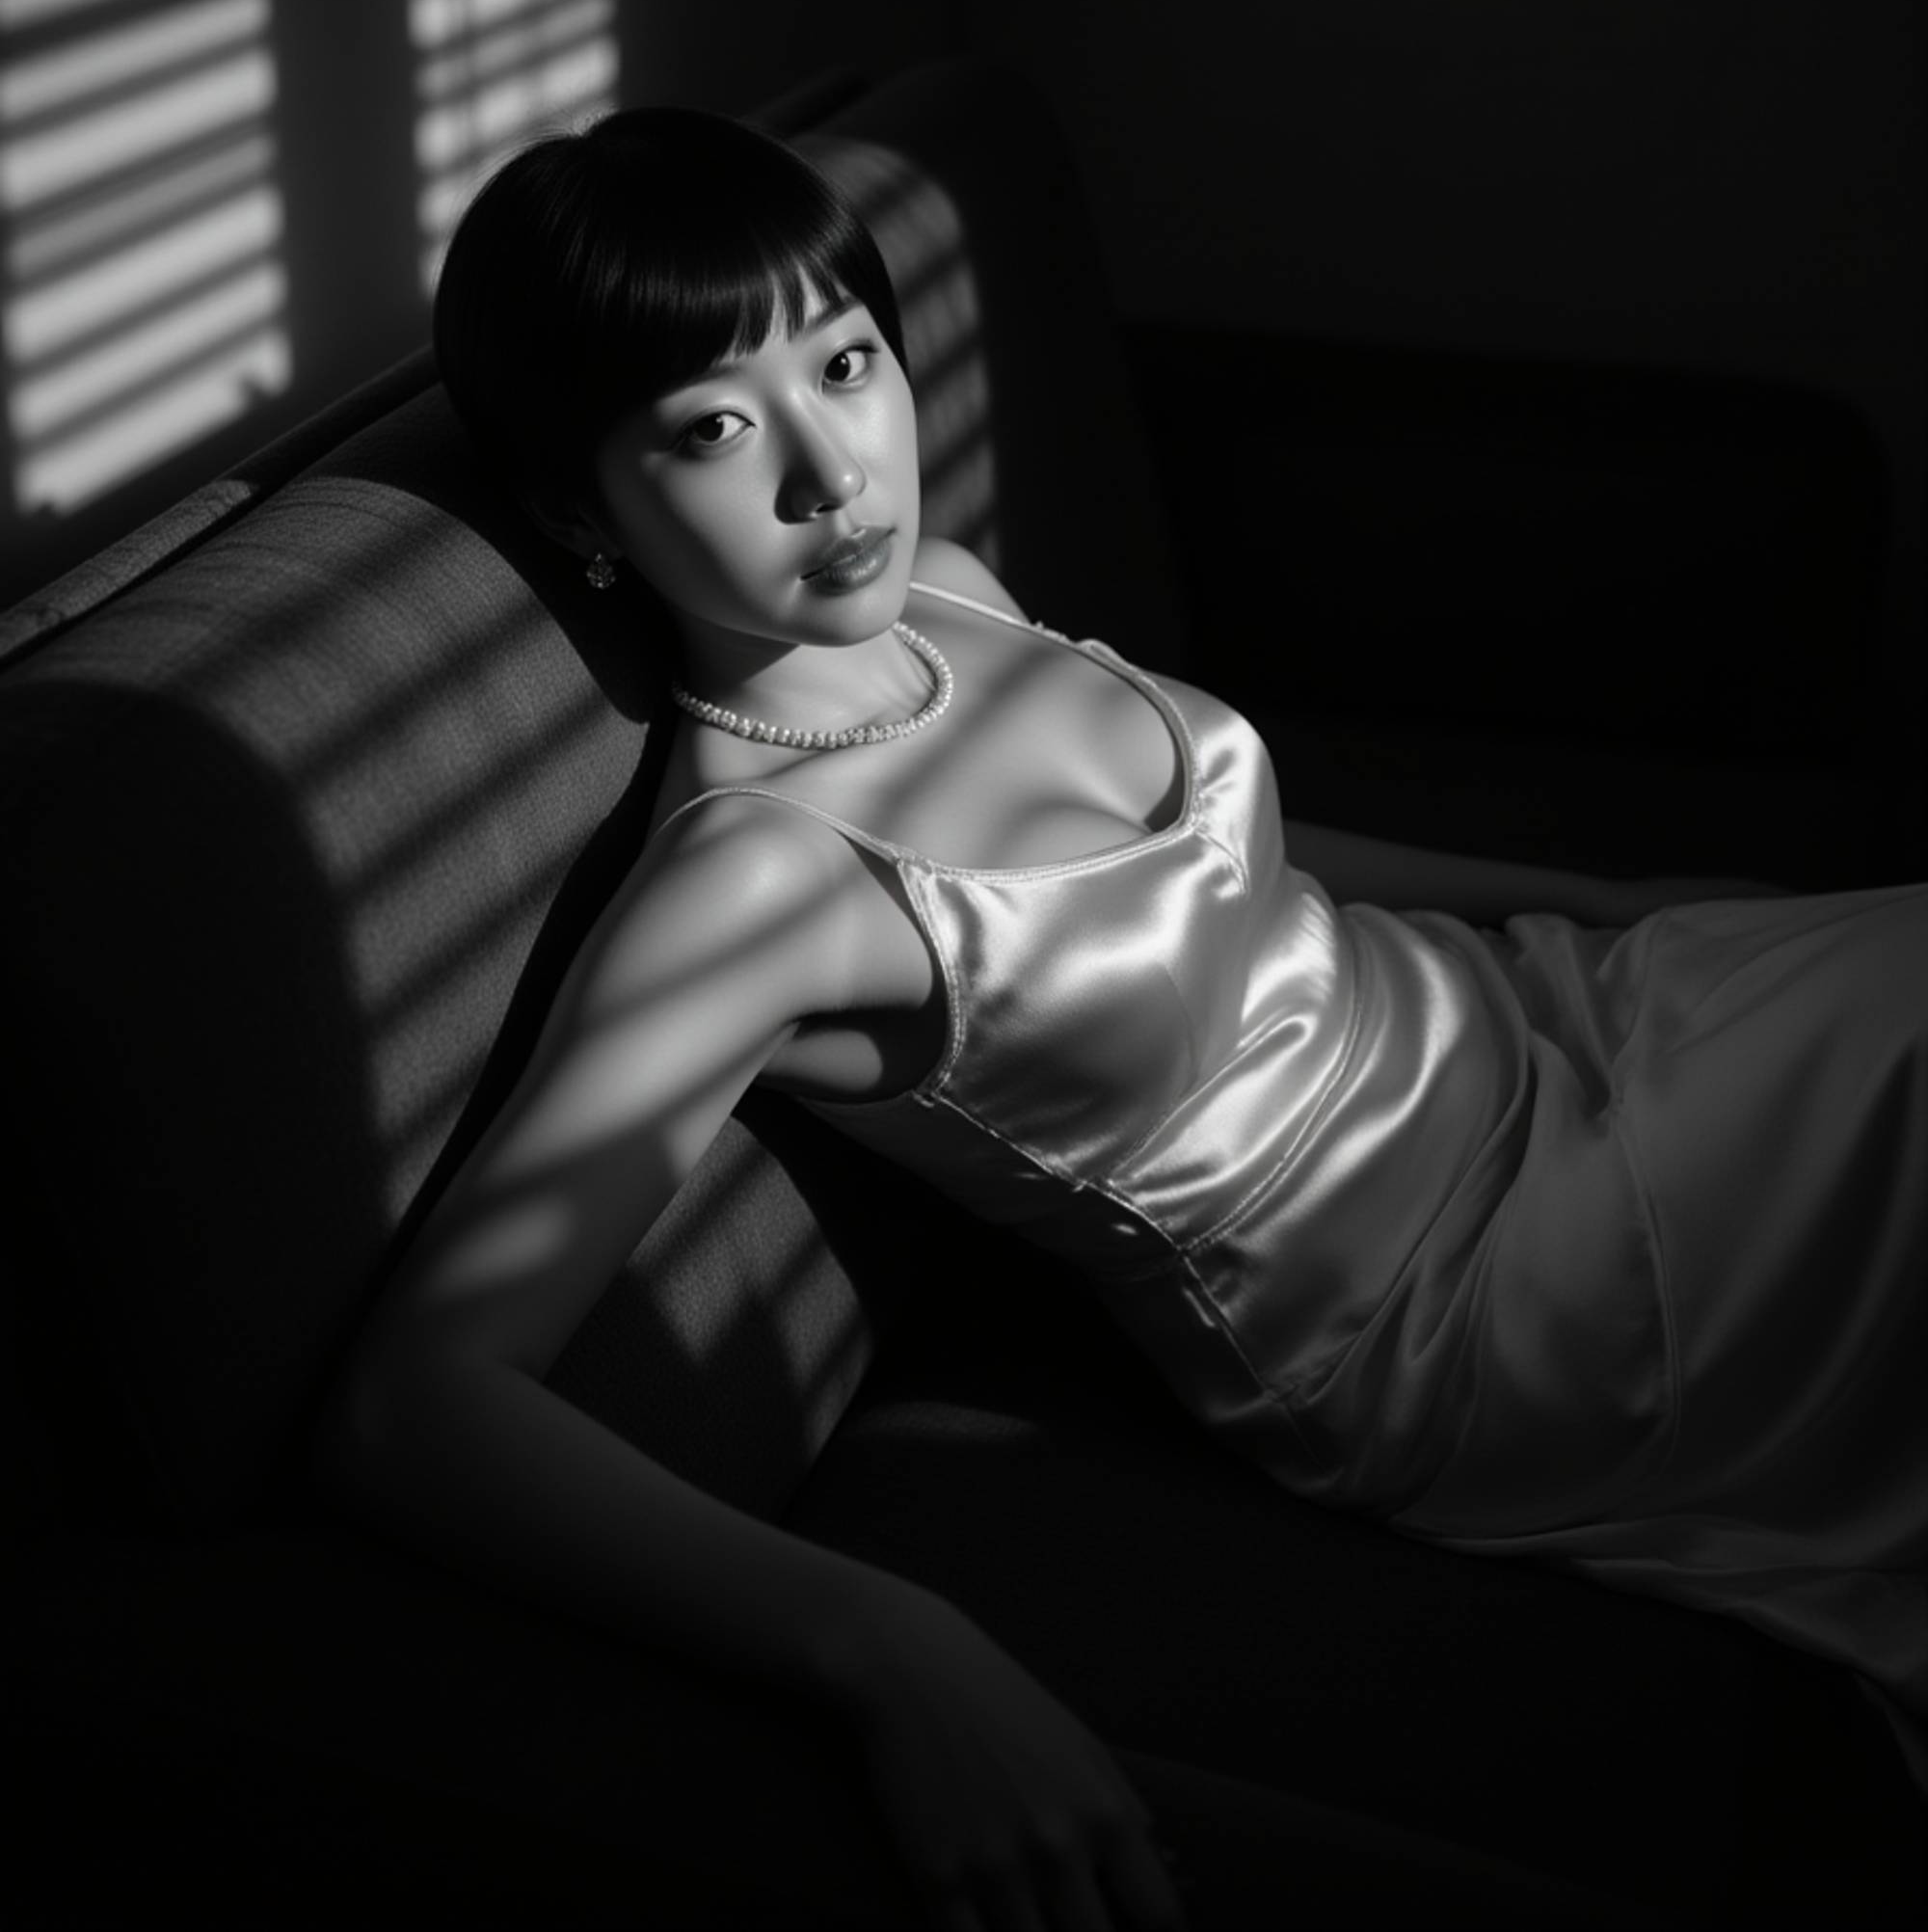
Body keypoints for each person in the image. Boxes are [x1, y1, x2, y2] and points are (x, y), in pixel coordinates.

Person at [316, 107, 1927, 1932]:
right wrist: (890, 1646)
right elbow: (419, 1401)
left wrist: (1616, 906)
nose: (832, 474)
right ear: (573, 510)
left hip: (1548, 1018)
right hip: (1469, 1288)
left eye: (847, 363)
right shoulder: (750, 887)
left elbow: (1228, 857)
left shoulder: (945, 598)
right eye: (710, 428)